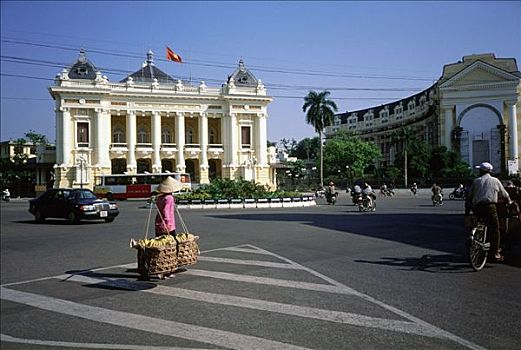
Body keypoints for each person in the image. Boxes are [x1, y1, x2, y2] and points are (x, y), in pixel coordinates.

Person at [465, 162, 511, 262]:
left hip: (477, 207)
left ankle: (474, 237)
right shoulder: (495, 181)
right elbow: (505, 195)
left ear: (481, 171)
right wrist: (509, 201)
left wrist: (467, 212)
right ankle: (495, 252)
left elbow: (470, 196)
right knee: (495, 229)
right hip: (490, 207)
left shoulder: (476, 181)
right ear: (490, 171)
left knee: (477, 224)